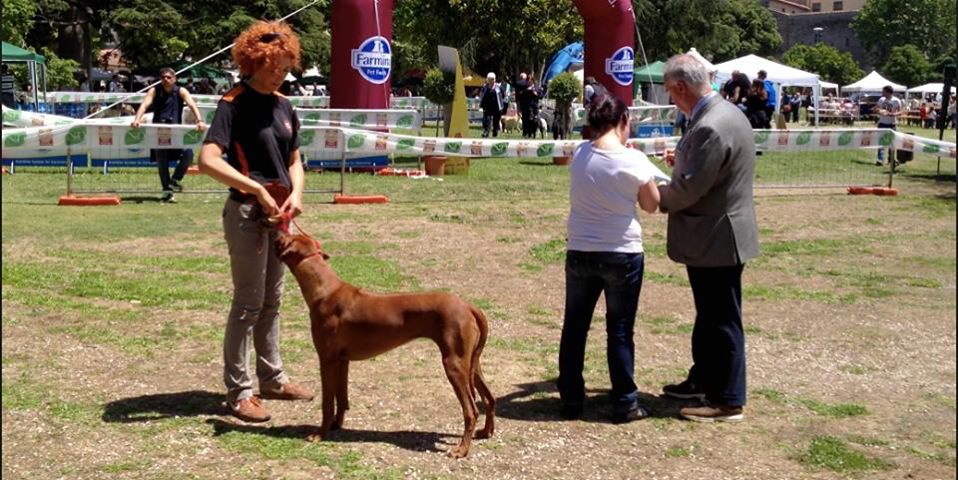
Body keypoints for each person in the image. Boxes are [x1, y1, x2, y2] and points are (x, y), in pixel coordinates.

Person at [198, 20, 314, 423]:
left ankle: (273, 378)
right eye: (272, 66)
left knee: (272, 302)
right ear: (252, 61)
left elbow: (295, 160)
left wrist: (296, 194)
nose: (279, 73)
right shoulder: (232, 103)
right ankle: (240, 391)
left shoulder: (285, 106)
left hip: (280, 217)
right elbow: (208, 160)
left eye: (284, 66)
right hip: (247, 215)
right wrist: (257, 189)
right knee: (248, 303)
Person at [657, 54, 759, 423]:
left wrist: (656, 195)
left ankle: (728, 399)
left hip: (717, 237)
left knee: (722, 319)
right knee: (710, 315)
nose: (671, 99)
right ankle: (703, 379)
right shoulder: (727, 113)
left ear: (681, 87)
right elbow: (711, 170)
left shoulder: (710, 126)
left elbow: (691, 191)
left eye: (670, 91)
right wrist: (680, 162)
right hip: (717, 235)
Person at [557, 93, 661, 424]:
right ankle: (625, 402)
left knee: (575, 328)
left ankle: (571, 399)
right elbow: (651, 204)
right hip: (622, 252)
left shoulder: (581, 152)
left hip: (581, 249)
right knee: (619, 330)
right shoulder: (635, 161)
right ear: (623, 122)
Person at [132, 67, 207, 203]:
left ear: (174, 78)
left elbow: (192, 105)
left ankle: (175, 180)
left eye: (168, 77)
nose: (166, 80)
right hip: (159, 131)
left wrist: (199, 120)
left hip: (176, 131)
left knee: (188, 154)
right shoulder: (154, 90)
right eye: (163, 77)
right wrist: (137, 119)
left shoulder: (181, 91)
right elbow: (144, 105)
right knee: (162, 162)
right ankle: (167, 192)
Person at [874, 85, 902, 166]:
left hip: (892, 124)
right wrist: (879, 111)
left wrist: (891, 114)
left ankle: (891, 159)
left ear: (888, 92)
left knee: (892, 143)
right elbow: (876, 108)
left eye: (883, 91)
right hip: (882, 123)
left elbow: (900, 112)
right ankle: (880, 159)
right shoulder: (881, 99)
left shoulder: (896, 100)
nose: (882, 93)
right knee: (881, 142)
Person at [479, 72, 504, 138]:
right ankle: (486, 132)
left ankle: (495, 132)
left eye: (492, 79)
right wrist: (482, 105)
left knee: (496, 121)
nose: (491, 81)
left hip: (497, 107)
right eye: (489, 79)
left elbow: (502, 95)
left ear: (494, 79)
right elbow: (482, 95)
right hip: (488, 106)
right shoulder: (485, 87)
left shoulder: (498, 87)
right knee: (486, 119)